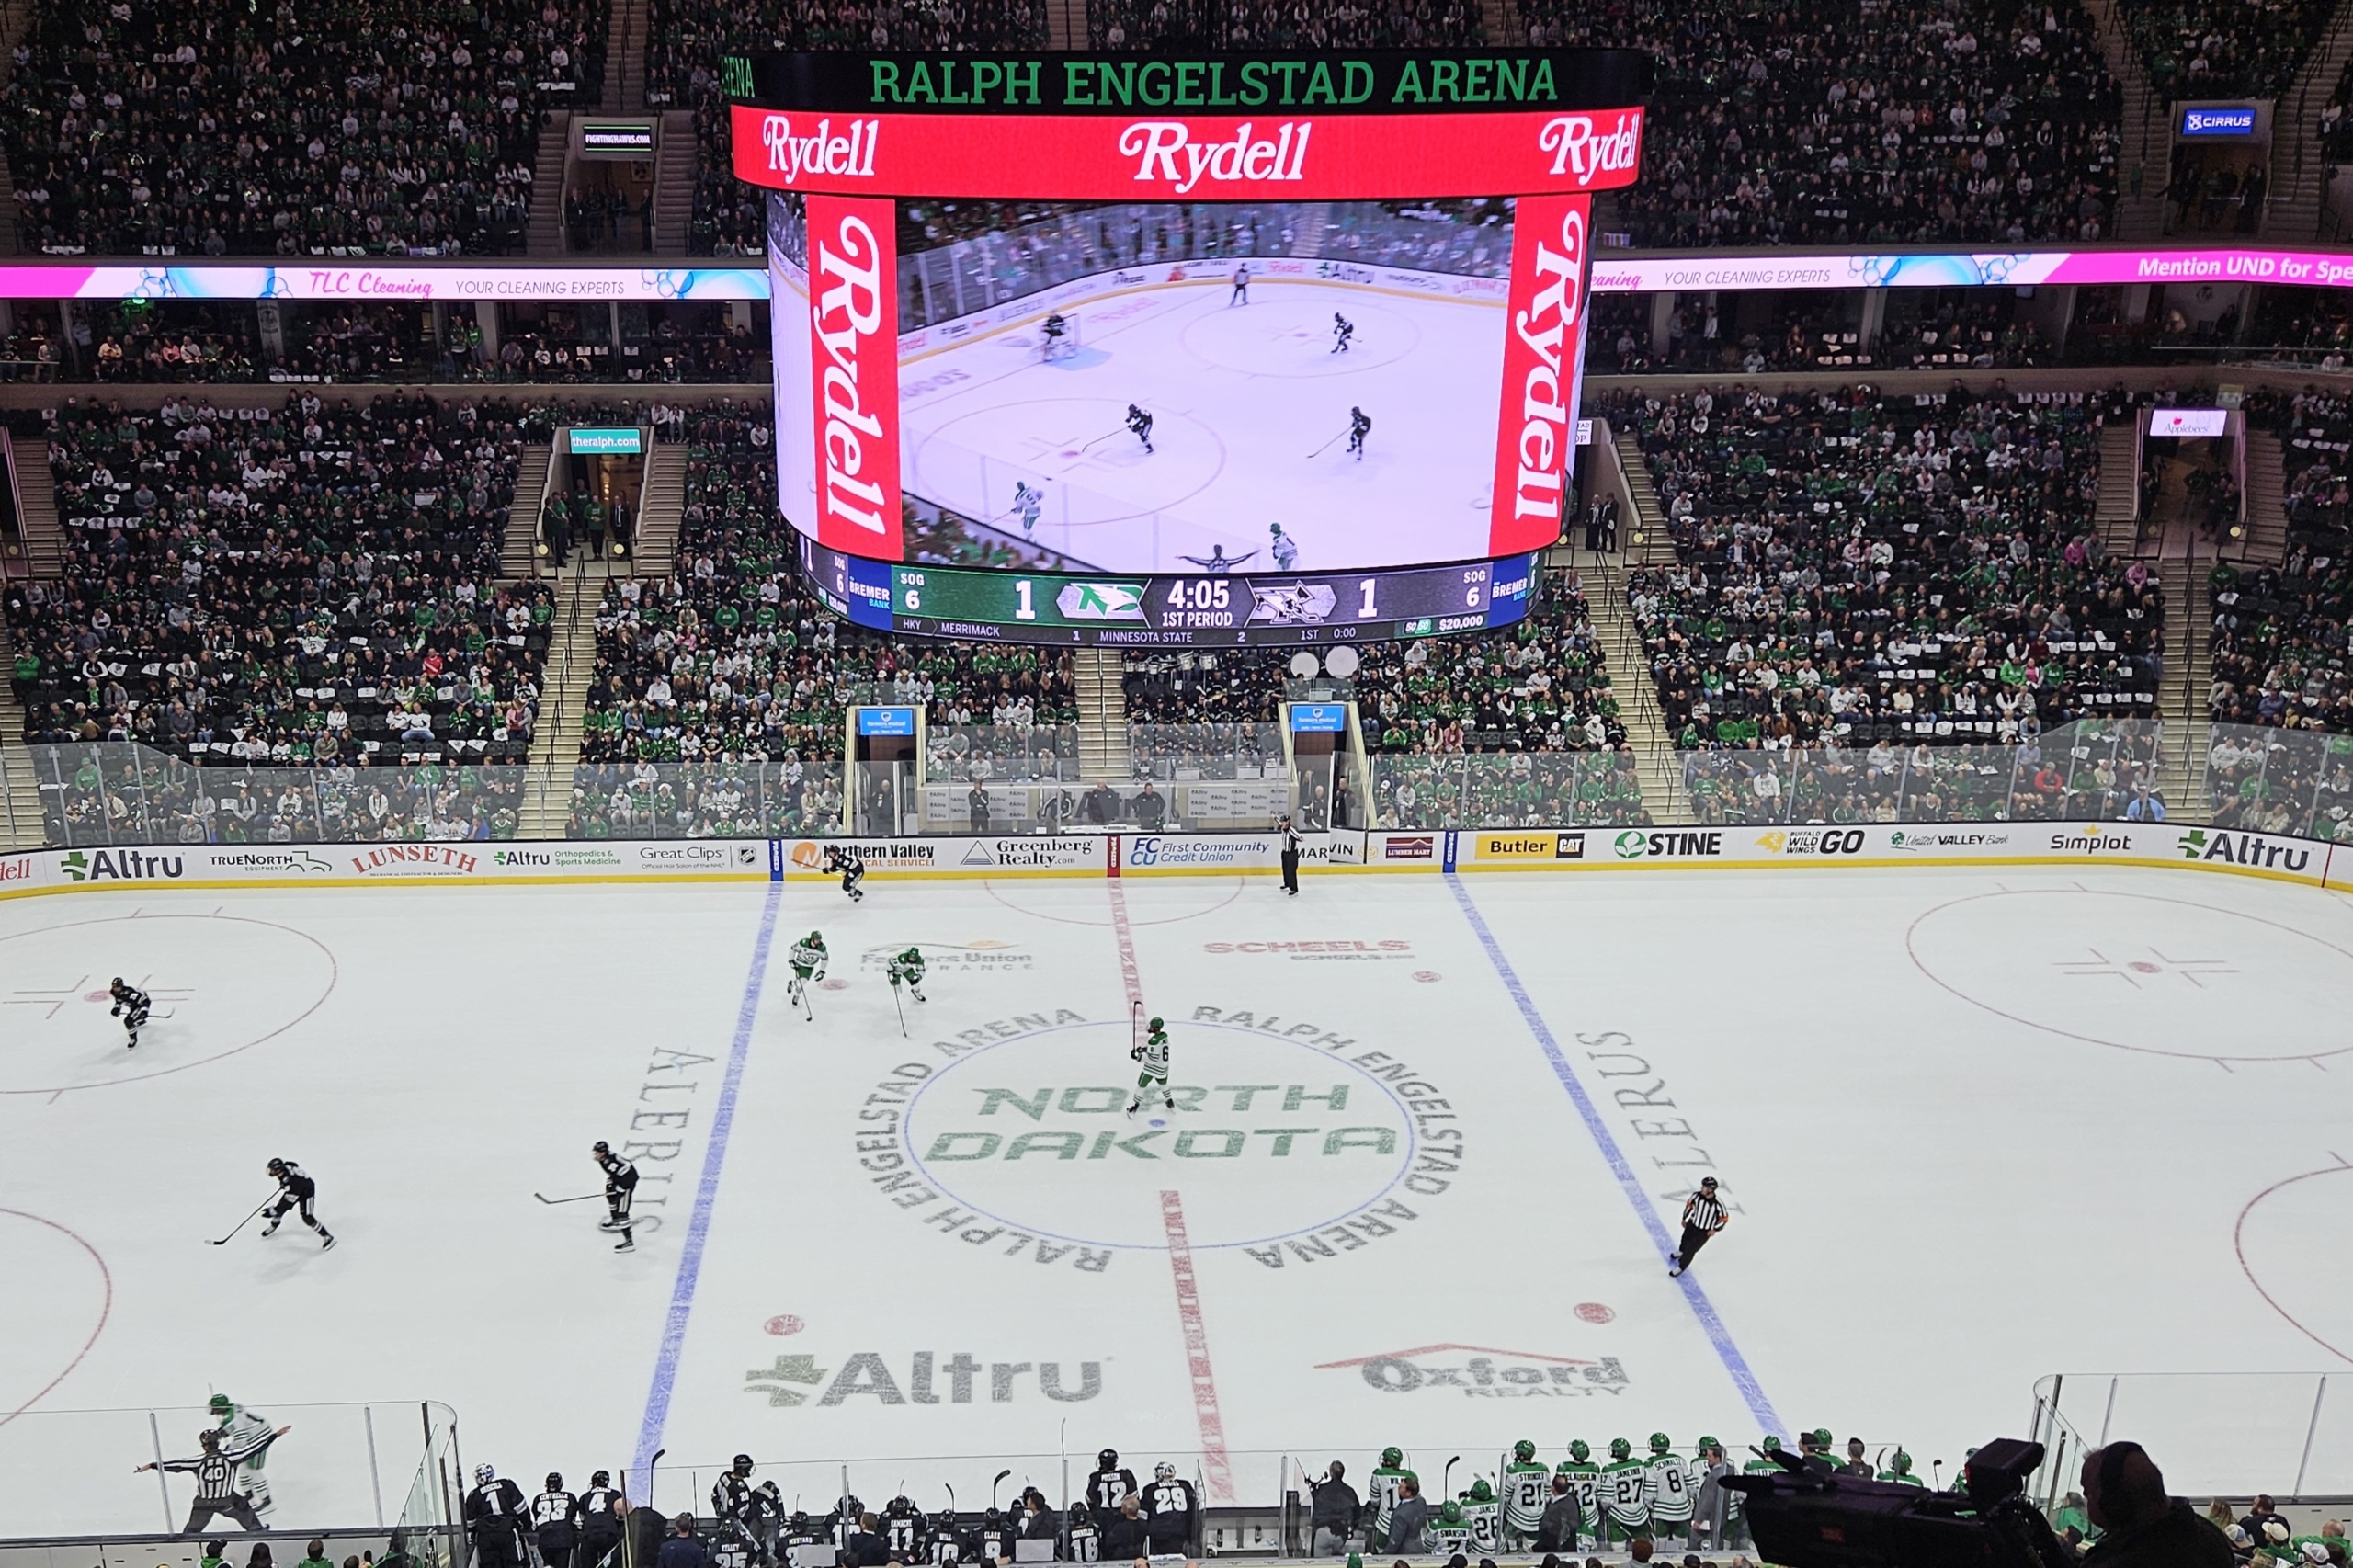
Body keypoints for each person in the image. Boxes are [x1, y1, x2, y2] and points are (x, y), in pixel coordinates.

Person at [2083, 1443, 2232, 1568]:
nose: (2086, 1500)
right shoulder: (2209, 1535)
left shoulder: (2125, 1560)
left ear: (2114, 1503)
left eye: (2088, 1492)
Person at [138, 1426, 290, 1534]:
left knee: (192, 1530)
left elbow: (177, 1465)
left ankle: (187, 1542)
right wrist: (274, 1435)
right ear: (217, 1443)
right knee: (243, 1507)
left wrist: (153, 1465)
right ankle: (257, 1531)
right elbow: (254, 1448)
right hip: (227, 1502)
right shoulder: (231, 1457)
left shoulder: (197, 1462)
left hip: (204, 1504)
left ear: (205, 1447)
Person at [207, 1393, 276, 1516]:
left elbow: (241, 1441)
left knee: (253, 1470)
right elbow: (232, 1425)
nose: (214, 1412)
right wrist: (222, 1432)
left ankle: (266, 1501)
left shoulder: (236, 1421)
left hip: (259, 1438)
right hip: (252, 1434)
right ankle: (249, 1496)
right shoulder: (233, 1410)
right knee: (242, 1467)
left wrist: (228, 1451)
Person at [714, 1455, 785, 1566]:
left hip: (727, 1518)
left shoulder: (725, 1477)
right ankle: (782, 1520)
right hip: (742, 1522)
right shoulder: (741, 1488)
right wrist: (762, 1507)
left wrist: (721, 1511)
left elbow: (714, 1496)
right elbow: (744, 1515)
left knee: (767, 1487)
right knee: (772, 1490)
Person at [264, 1157, 335, 1249]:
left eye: (273, 1170)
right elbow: (294, 1165)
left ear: (278, 1170)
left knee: (307, 1217)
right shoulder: (286, 1169)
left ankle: (327, 1237)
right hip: (295, 1189)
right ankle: (274, 1225)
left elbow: (291, 1198)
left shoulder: (293, 1182)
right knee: (281, 1208)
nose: (271, 1172)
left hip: (306, 1192)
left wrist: (274, 1210)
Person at [468, 1465, 532, 1568]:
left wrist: (473, 1532)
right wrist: (527, 1524)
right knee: (515, 1564)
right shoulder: (507, 1485)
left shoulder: (474, 1494)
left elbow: (470, 1522)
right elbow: (521, 1508)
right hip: (507, 1532)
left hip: (486, 1537)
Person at [1668, 1176, 1725, 1277]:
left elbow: (1724, 1218)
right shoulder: (1696, 1196)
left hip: (1704, 1231)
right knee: (1685, 1239)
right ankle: (1681, 1251)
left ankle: (1682, 1266)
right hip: (1693, 1224)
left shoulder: (1718, 1203)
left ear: (1710, 1190)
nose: (1702, 1188)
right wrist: (1685, 1218)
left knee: (1691, 1249)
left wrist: (1715, 1229)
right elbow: (1689, 1206)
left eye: (1704, 1187)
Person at [594, 1141, 639, 1254]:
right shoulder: (603, 1160)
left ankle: (629, 1242)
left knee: (623, 1212)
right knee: (611, 1197)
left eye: (597, 1152)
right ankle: (615, 1220)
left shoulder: (613, 1160)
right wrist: (612, 1183)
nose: (596, 1154)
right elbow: (613, 1174)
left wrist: (622, 1187)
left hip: (627, 1184)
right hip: (619, 1181)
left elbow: (629, 1170)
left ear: (603, 1152)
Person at [1144, 1462, 1199, 1555]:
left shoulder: (1151, 1488)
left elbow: (1143, 1511)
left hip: (1159, 1532)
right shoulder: (1185, 1485)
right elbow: (1193, 1507)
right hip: (1180, 1530)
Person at [1309, 1462, 1361, 1557]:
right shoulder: (1350, 1491)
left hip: (1323, 1532)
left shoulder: (1322, 1489)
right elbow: (1358, 1514)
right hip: (1341, 1533)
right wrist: (1352, 1528)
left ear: (1331, 1473)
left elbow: (1316, 1503)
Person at [1128, 1014, 1173, 1116]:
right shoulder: (1164, 1036)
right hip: (1163, 1067)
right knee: (1163, 1085)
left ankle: (1134, 1108)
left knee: (1141, 1086)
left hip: (1152, 1069)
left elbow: (1152, 1060)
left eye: (1152, 1026)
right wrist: (1143, 1049)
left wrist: (1138, 1057)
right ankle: (1170, 1103)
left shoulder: (1154, 1041)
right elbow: (1157, 1049)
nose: (1150, 1027)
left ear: (1156, 1028)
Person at [533, 1475, 583, 1568]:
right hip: (563, 1539)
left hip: (544, 1540)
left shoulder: (537, 1499)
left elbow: (536, 1515)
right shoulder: (570, 1497)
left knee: (548, 1565)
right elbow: (572, 1516)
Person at [580, 1474, 625, 1568]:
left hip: (589, 1532)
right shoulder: (615, 1494)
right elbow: (621, 1514)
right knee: (609, 1563)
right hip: (609, 1531)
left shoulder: (584, 1496)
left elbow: (582, 1518)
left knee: (588, 1563)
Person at [1534, 1474, 1581, 1555]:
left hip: (1556, 1551)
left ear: (1553, 1489)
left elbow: (1549, 1536)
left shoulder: (1554, 1510)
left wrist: (1535, 1548)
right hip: (1571, 1549)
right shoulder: (1573, 1500)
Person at [1387, 1478, 1432, 1557]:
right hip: (1418, 1548)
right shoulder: (1421, 1502)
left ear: (1408, 1493)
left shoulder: (1401, 1515)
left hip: (1404, 1553)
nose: (1398, 1488)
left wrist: (1384, 1555)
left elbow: (1395, 1540)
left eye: (1401, 1487)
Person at [788, 931, 827, 1018]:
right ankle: (796, 996)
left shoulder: (822, 948)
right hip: (799, 964)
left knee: (801, 983)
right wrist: (791, 960)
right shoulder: (803, 943)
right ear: (812, 939)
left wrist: (822, 971)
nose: (818, 941)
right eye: (816, 940)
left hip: (809, 967)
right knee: (801, 984)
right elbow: (793, 948)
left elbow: (825, 959)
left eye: (819, 940)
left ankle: (792, 984)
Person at [1101, 1496, 1150, 1563]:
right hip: (1140, 1559)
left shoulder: (1119, 1527)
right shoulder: (1145, 1525)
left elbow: (1109, 1542)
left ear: (1126, 1510)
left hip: (1122, 1560)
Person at [110, 976, 152, 1048]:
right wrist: (116, 1008)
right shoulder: (114, 992)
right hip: (133, 1005)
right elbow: (119, 1001)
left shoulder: (130, 993)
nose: (115, 989)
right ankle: (140, 1019)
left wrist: (144, 1011)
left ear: (122, 986)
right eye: (114, 987)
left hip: (139, 1005)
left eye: (117, 987)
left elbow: (145, 1000)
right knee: (133, 1016)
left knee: (128, 1021)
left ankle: (133, 1039)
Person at [1279, 812, 1302, 895]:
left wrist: (1299, 838)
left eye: (1283, 822)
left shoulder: (1291, 830)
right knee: (1285, 869)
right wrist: (1274, 817)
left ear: (1288, 822)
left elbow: (1299, 836)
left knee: (1291, 871)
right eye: (1281, 822)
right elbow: (1278, 821)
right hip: (1285, 853)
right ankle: (1287, 883)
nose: (1281, 823)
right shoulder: (1283, 828)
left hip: (1292, 854)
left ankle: (1294, 888)